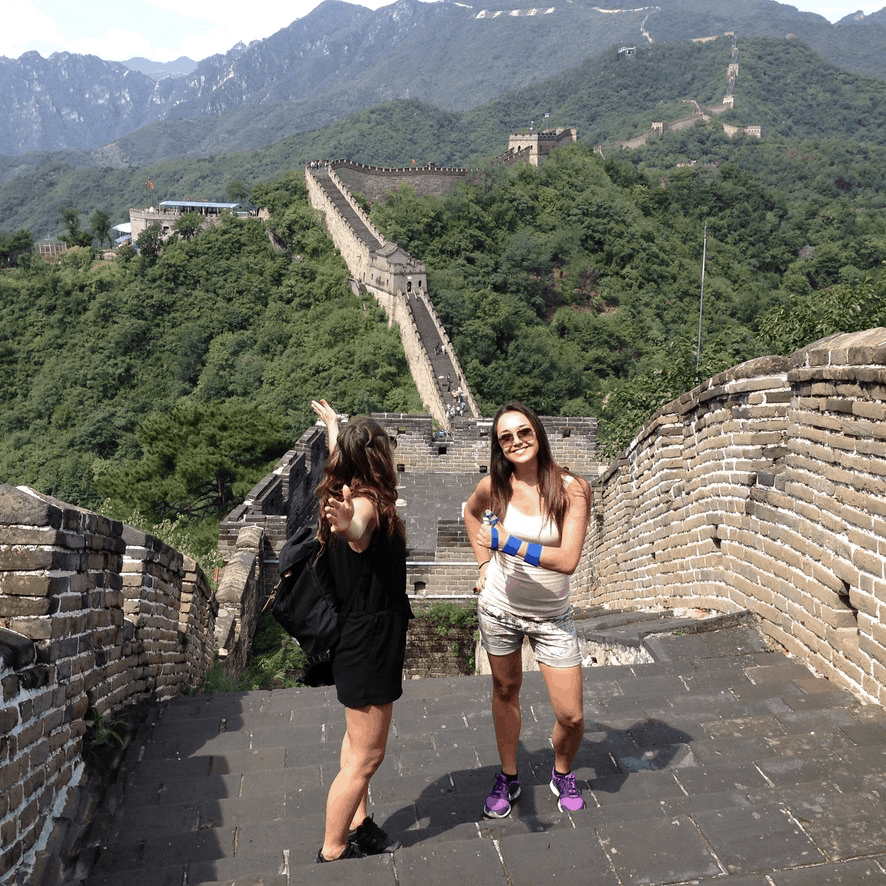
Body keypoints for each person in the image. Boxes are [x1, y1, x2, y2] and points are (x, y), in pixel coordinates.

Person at [463, 401, 591, 819]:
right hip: (500, 608)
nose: (516, 441)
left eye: (523, 432)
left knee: (570, 716)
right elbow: (470, 513)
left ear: (538, 433)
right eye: (506, 437)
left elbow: (568, 558)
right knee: (504, 690)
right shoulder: (494, 487)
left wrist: (510, 545)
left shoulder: (571, 488)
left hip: (553, 616)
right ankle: (509, 776)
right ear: (498, 446)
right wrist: (484, 563)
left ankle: (561, 771)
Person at [309, 399, 412, 862]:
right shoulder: (367, 503)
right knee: (367, 758)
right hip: (370, 644)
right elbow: (360, 527)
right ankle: (333, 848)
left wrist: (334, 428)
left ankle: (359, 822)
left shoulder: (338, 485)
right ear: (380, 459)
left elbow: (338, 467)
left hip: (354, 635)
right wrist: (349, 525)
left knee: (355, 745)